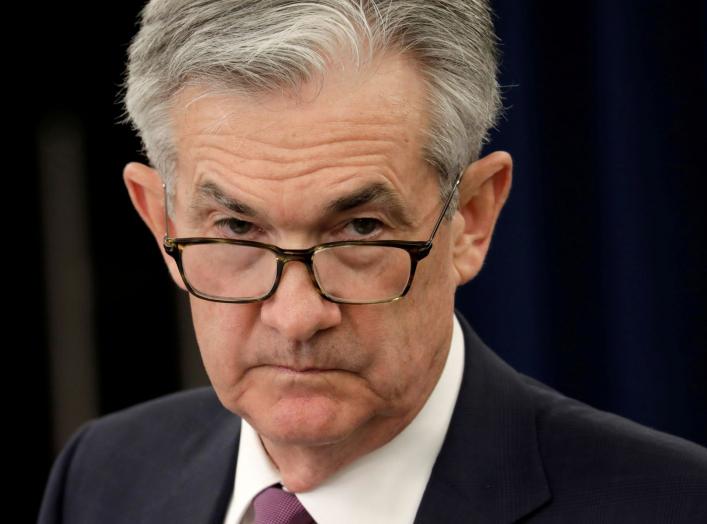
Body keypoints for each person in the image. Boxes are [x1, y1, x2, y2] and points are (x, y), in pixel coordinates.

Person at [38, 1, 707, 523]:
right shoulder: (104, 476)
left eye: (359, 229)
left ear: (469, 219)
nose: (296, 318)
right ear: (160, 222)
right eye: (237, 228)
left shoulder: (673, 505)